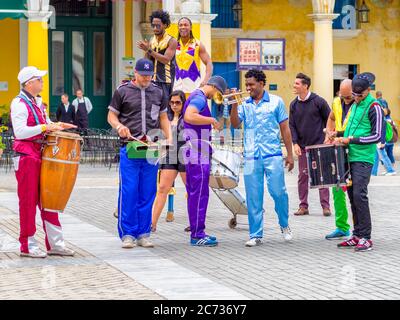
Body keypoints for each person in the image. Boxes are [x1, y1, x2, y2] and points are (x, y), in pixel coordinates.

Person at [10, 66, 76, 258]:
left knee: (50, 199)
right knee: (28, 201)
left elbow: (46, 124)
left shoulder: (37, 102)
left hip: (39, 154)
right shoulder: (19, 103)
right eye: (39, 79)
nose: (42, 82)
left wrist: (58, 126)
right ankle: (28, 245)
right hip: (26, 156)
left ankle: (56, 244)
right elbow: (20, 132)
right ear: (29, 83)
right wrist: (46, 126)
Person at [107, 58, 171, 249]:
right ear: (135, 73)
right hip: (130, 147)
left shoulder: (158, 92)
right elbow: (111, 115)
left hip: (151, 148)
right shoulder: (122, 91)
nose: (146, 79)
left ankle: (144, 233)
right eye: (142, 75)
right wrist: (119, 126)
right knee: (129, 190)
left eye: (149, 76)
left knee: (148, 192)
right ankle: (127, 233)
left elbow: (163, 118)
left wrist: (169, 139)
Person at [230, 69, 294, 246]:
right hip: (251, 156)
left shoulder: (276, 102)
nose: (248, 88)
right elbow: (235, 124)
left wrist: (290, 154)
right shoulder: (244, 104)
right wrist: (235, 103)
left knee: (279, 192)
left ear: (261, 84)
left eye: (251, 84)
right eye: (246, 85)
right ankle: (255, 234)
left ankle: (284, 224)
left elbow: (285, 129)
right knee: (253, 196)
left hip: (272, 153)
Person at [336, 72, 383, 252]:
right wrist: (339, 135)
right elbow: (351, 129)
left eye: (359, 95)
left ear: (368, 90)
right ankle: (356, 234)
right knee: (351, 196)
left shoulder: (374, 107)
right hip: (350, 156)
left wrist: (351, 140)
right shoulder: (355, 105)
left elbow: (376, 136)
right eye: (353, 95)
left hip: (363, 159)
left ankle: (366, 237)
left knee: (359, 196)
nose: (355, 98)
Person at [182, 75, 225, 247]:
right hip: (197, 152)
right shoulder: (199, 98)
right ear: (214, 88)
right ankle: (197, 234)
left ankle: (197, 231)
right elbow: (189, 116)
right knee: (200, 194)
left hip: (195, 151)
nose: (215, 97)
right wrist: (211, 120)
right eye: (217, 93)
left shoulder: (195, 95)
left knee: (195, 194)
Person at [289, 73, 331, 216]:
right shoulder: (293, 104)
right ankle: (303, 206)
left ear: (305, 86)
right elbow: (292, 125)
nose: (294, 86)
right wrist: (295, 143)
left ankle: (326, 206)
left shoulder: (318, 101)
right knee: (303, 176)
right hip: (303, 147)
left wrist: (328, 136)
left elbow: (329, 119)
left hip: (319, 146)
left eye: (297, 84)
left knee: (322, 176)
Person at [152, 90, 187, 232]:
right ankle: (152, 224)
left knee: (190, 190)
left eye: (177, 102)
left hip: (185, 155)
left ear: (183, 103)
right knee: (162, 189)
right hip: (170, 155)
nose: (174, 105)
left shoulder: (188, 116)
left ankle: (194, 223)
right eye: (171, 102)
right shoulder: (166, 117)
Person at [324, 79, 354, 240]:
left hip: (354, 149)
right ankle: (342, 226)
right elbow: (331, 118)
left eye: (348, 96)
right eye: (342, 96)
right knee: (337, 189)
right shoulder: (336, 101)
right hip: (338, 148)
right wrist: (328, 133)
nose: (345, 99)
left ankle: (359, 230)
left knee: (355, 192)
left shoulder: (359, 104)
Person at [137, 9, 177, 110]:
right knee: (152, 109)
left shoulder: (172, 41)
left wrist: (149, 50)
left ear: (165, 25)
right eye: (153, 25)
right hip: (152, 80)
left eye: (158, 25)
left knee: (165, 110)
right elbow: (148, 61)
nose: (155, 28)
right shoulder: (152, 40)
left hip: (165, 81)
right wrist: (146, 52)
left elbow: (166, 60)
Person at [173, 17, 213, 96]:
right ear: (178, 28)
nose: (183, 27)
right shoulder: (173, 44)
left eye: (185, 25)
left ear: (191, 27)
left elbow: (209, 62)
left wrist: (206, 80)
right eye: (180, 25)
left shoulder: (197, 44)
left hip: (193, 88)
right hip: (177, 89)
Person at [371, 106, 396, 176]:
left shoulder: (382, 120)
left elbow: (383, 132)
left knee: (384, 156)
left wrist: (382, 142)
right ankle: (373, 172)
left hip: (380, 141)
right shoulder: (380, 119)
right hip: (377, 141)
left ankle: (391, 170)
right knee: (375, 157)